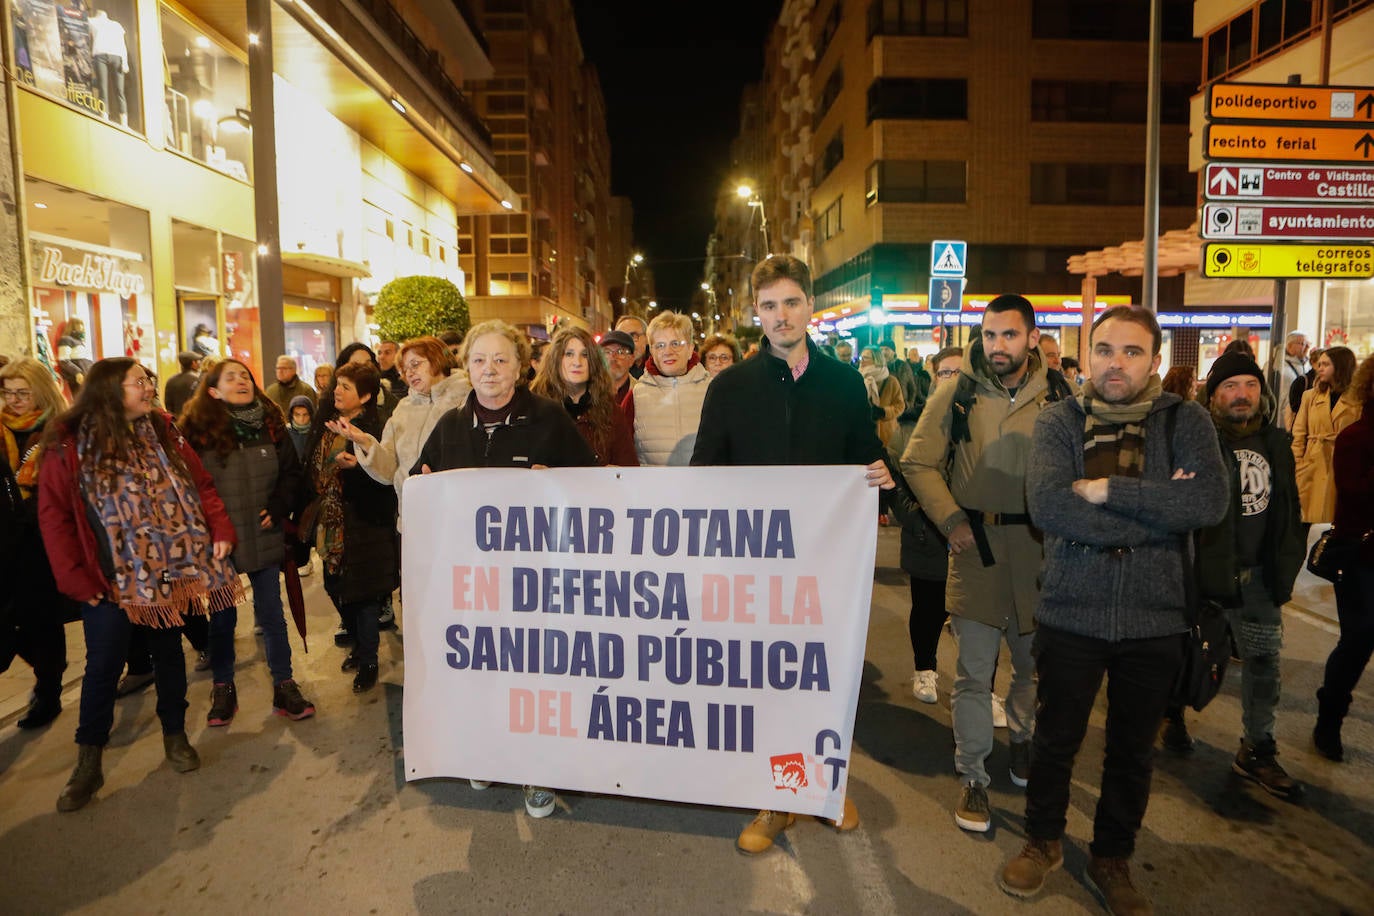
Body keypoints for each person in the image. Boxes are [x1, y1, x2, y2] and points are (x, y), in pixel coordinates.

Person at [1001, 305, 1227, 912]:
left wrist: (1109, 491)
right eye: (1104, 350)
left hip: (1156, 617)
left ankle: (1112, 857)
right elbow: (1050, 508)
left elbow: (1208, 502)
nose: (1116, 363)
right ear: (1088, 355)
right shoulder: (1059, 421)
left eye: (1132, 351)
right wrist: (1158, 509)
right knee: (1055, 739)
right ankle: (1043, 841)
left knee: (1132, 750)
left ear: (1155, 360)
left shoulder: (1185, 420)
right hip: (1071, 609)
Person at [692, 253, 893, 855]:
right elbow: (705, 471)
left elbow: (865, 454)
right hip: (756, 568)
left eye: (791, 302)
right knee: (770, 683)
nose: (781, 315)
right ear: (756, 312)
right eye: (769, 305)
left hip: (826, 565)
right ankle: (776, 796)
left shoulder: (844, 383)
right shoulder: (730, 386)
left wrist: (884, 476)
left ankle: (824, 786)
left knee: (827, 679)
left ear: (810, 306)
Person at [38, 357, 241, 812]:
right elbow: (54, 518)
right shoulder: (70, 444)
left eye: (148, 380)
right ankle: (89, 759)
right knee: (103, 666)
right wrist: (75, 578)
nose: (149, 387)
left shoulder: (163, 431)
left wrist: (220, 528)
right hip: (107, 579)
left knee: (169, 653)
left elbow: (201, 485)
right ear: (110, 391)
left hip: (166, 570)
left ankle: (175, 735)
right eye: (139, 382)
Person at [414, 320, 596, 819]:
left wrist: (557, 484)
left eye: (500, 360)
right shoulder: (450, 426)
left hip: (538, 583)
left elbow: (593, 489)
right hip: (473, 584)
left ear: (521, 367)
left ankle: (539, 770)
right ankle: (487, 752)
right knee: (483, 674)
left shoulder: (550, 419)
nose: (489, 370)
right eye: (479, 360)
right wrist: (423, 486)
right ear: (466, 368)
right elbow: (419, 483)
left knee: (536, 679)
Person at [903, 294, 1068, 834]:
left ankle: (1021, 740)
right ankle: (972, 775)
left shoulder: (1060, 395)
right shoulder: (958, 392)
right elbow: (917, 460)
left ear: (1033, 339)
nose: (997, 346)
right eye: (990, 335)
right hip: (976, 550)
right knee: (974, 674)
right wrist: (951, 520)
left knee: (1031, 667)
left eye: (1009, 335)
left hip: (1040, 551)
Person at [1159, 351, 1305, 799]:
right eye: (1230, 386)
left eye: (1250, 385)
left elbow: (1288, 510)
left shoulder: (1276, 443)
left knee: (1263, 663)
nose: (1242, 394)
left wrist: (1286, 564)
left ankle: (1257, 749)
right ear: (1213, 395)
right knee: (1186, 654)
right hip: (1205, 573)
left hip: (1258, 577)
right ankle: (1171, 714)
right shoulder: (1195, 441)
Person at [178, 359, 315, 725]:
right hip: (220, 540)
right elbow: (189, 486)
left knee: (271, 613)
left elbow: (292, 473)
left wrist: (279, 504)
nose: (242, 381)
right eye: (231, 377)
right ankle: (223, 687)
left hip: (263, 532)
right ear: (213, 390)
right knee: (222, 618)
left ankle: (284, 684)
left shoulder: (271, 424)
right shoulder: (196, 431)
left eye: (245, 376)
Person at [304, 362, 398, 692]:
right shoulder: (327, 423)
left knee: (365, 595)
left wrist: (358, 466)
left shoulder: (374, 427)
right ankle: (359, 645)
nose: (337, 391)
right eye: (337, 385)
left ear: (366, 396)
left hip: (365, 522)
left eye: (346, 386)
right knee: (334, 586)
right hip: (331, 521)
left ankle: (368, 659)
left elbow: (386, 478)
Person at [887, 346, 961, 704]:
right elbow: (896, 481)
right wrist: (915, 519)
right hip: (927, 533)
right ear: (933, 377)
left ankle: (983, 688)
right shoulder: (908, 427)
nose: (953, 379)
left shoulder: (985, 423)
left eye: (960, 373)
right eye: (946, 372)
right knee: (928, 608)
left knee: (978, 616)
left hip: (973, 537)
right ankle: (925, 669)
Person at [0, 358, 70, 729]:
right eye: (8, 392)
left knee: (40, 618)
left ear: (41, 392)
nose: (13, 400)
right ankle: (50, 668)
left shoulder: (58, 431)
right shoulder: (1, 429)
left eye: (22, 393)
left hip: (41, 539)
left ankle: (49, 689)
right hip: (5, 539)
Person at [1314, 353, 1374, 762]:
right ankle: (1329, 719)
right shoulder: (1355, 437)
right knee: (1358, 640)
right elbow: (1353, 494)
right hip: (1360, 556)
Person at [330, 336, 471, 501]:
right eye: (404, 369)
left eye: (415, 364)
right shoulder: (403, 408)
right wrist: (364, 441)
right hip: (410, 510)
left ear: (437, 360)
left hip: (457, 505)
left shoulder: (467, 399)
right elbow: (388, 471)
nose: (409, 373)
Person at [531, 325, 637, 466]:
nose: (577, 363)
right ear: (556, 360)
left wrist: (616, 473)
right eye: (569, 354)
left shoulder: (611, 412)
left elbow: (629, 467)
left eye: (585, 355)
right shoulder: (534, 410)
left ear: (593, 361)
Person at [631, 311, 712, 466]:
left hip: (704, 480)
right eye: (660, 345)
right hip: (653, 481)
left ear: (690, 349)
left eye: (675, 344)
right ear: (652, 352)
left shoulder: (713, 390)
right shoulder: (636, 394)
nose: (668, 352)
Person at [1292, 346, 1360, 526]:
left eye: (1326, 364)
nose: (1319, 368)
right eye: (1319, 364)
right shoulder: (1310, 396)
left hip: (1343, 466)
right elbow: (1299, 434)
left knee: (1337, 520)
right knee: (1307, 521)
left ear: (1341, 367)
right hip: (1312, 465)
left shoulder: (1358, 400)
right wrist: (1297, 464)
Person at [859, 345, 905, 447]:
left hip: (886, 435)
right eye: (861, 358)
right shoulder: (859, 379)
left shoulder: (891, 381)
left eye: (865, 358)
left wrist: (883, 412)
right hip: (863, 433)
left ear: (876, 359)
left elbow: (900, 406)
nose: (861, 361)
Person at [1279, 331, 1311, 430]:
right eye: (1303, 344)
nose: (1307, 347)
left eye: (1308, 344)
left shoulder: (1308, 366)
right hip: (1284, 421)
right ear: (1289, 346)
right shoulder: (1279, 366)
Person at [600, 329, 638, 408]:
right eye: (607, 352)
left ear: (631, 359)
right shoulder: (588, 392)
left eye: (620, 352)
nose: (612, 358)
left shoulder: (642, 393)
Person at [163, 351, 202, 417]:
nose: (200, 363)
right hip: (194, 418)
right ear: (193, 363)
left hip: (177, 419)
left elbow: (168, 404)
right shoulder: (198, 380)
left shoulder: (171, 380)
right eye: (198, 361)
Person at [287, 395, 314, 461]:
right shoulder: (285, 433)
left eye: (305, 414)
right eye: (297, 415)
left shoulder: (316, 433)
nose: (301, 419)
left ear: (310, 414)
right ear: (291, 415)